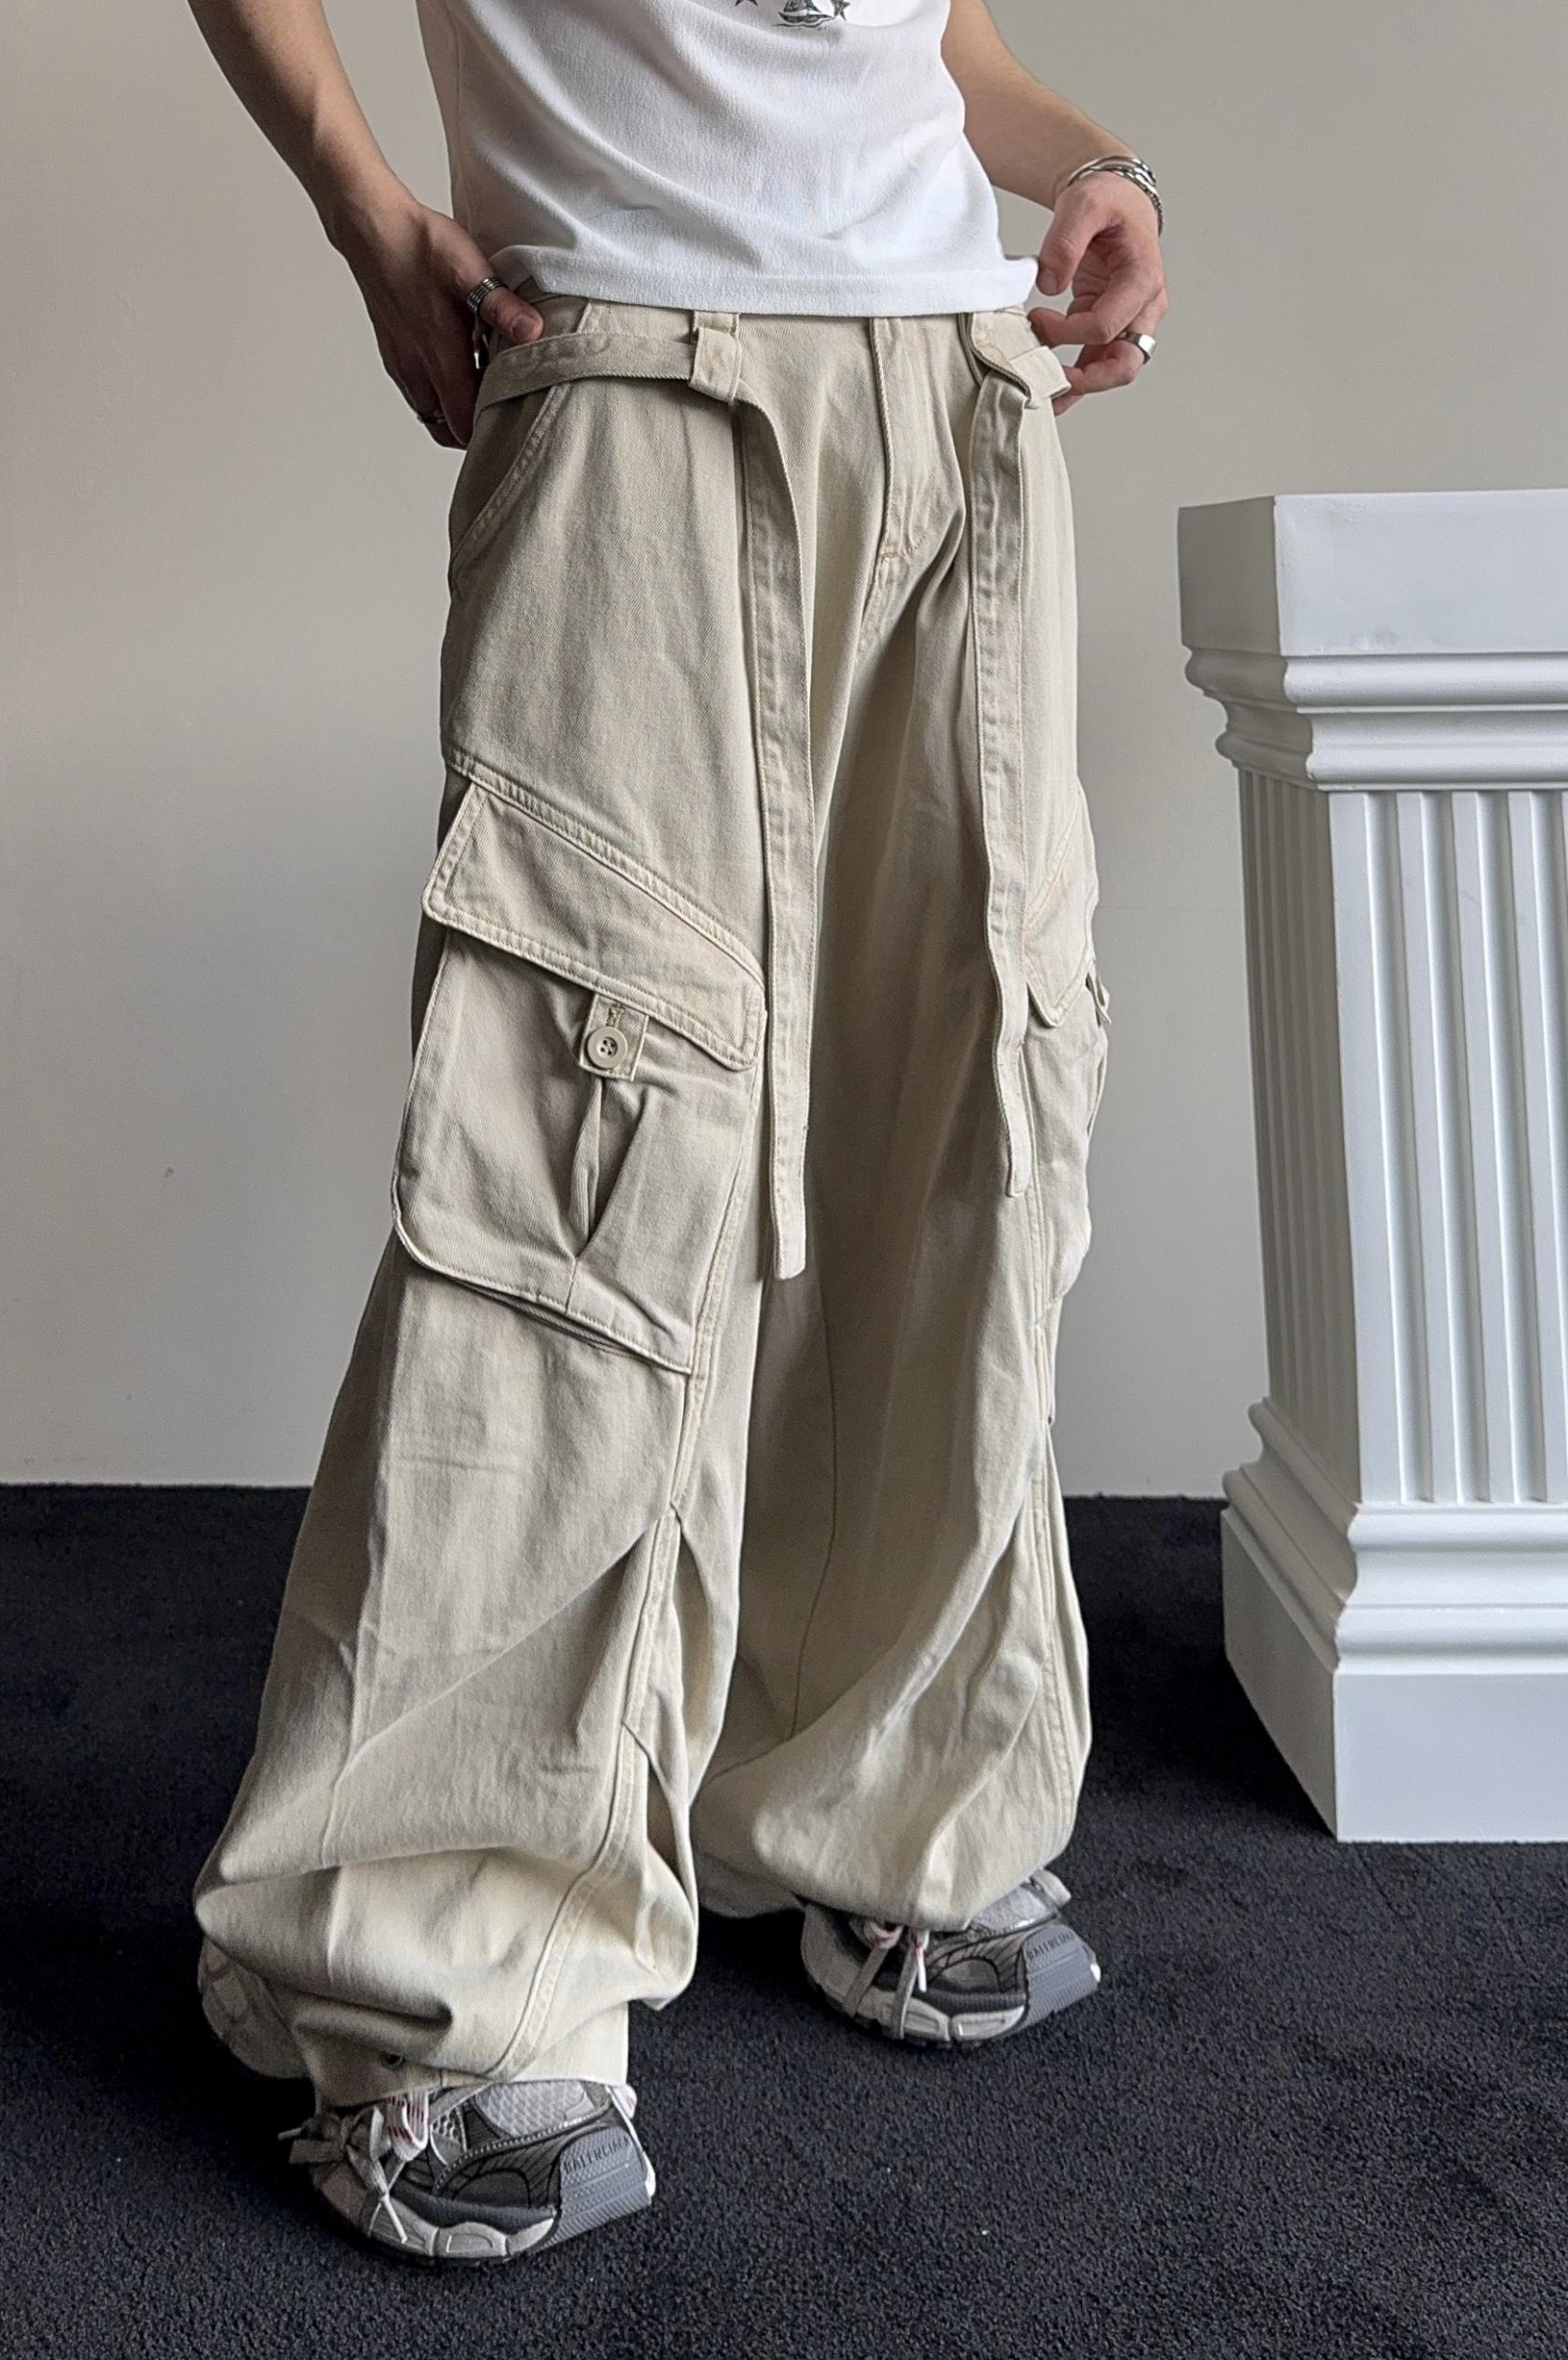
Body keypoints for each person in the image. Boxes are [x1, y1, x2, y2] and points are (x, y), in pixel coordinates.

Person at [186, 0, 1167, 2268]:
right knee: (580, 1148)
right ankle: (441, 1961)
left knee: (964, 1110)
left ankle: (878, 1795)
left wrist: (1094, 168)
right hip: (630, 360)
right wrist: (363, 206)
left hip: (955, 381)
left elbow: (933, 36)